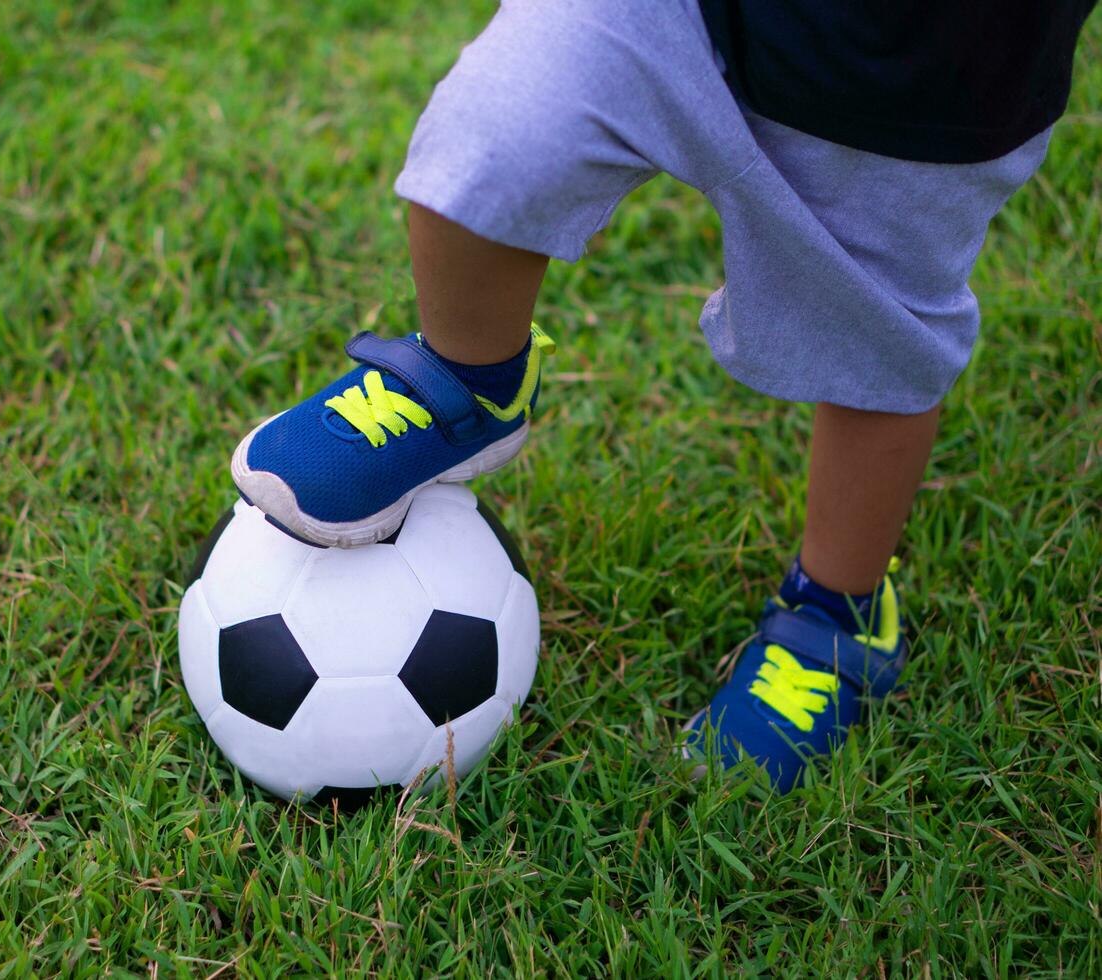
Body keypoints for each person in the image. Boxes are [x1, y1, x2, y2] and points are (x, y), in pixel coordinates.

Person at [229, 0, 1097, 792]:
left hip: (923, 79)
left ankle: (839, 617)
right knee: (496, 131)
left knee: (878, 341)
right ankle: (468, 382)